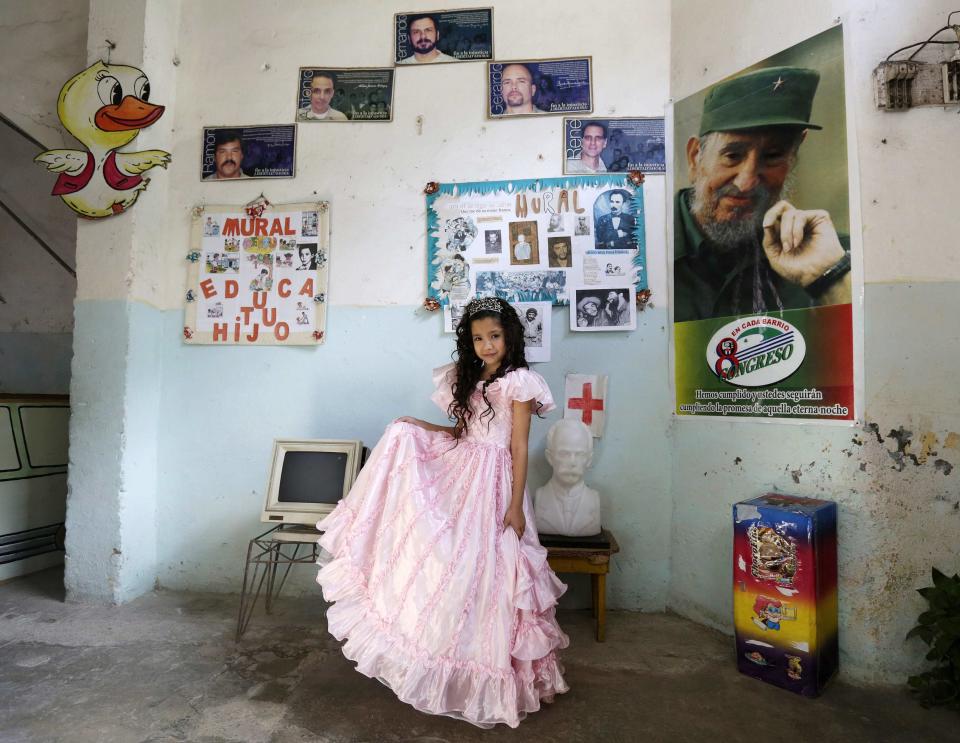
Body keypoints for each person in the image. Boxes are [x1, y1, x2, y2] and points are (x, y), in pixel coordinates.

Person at [316, 296, 569, 728]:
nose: (486, 345)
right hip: (462, 467)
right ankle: (442, 652)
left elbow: (519, 446)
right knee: (446, 560)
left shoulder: (520, 382)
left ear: (509, 336)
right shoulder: (468, 377)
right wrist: (419, 425)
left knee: (490, 568)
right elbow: (461, 431)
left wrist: (514, 504)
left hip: (495, 480)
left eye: (494, 336)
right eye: (477, 338)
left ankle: (490, 672)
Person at [674, 65, 852, 322]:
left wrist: (829, 277)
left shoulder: (827, 254)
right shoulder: (645, 248)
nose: (747, 182)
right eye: (732, 156)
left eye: (772, 157)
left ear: (792, 159)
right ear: (695, 158)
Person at [533, 419, 601, 537]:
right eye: (564, 454)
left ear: (589, 460)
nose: (572, 462)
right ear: (550, 457)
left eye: (580, 454)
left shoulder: (594, 500)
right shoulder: (540, 497)